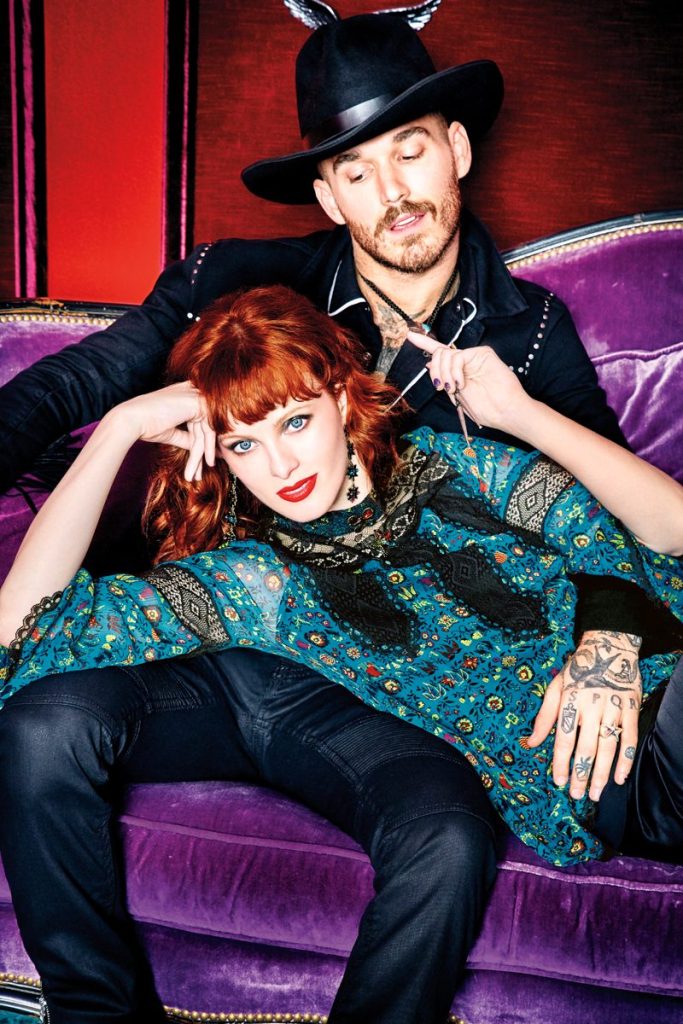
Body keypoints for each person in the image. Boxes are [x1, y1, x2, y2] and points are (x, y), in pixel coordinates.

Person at [0, 12, 658, 1024]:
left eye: (411, 151)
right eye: (356, 169)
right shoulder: (240, 289)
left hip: (372, 680)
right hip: (208, 626)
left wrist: (608, 633)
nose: (392, 192)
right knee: (43, 723)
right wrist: (124, 428)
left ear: (457, 150)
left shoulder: (522, 341)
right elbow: (61, 393)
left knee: (447, 835)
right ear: (326, 194)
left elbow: (605, 516)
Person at [1, 284, 682, 861]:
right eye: (244, 443)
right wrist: (117, 428)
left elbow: (660, 530)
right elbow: (19, 631)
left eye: (295, 423)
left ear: (340, 397)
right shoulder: (257, 583)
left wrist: (520, 415)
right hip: (630, 788)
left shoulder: (455, 465)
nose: (281, 466)